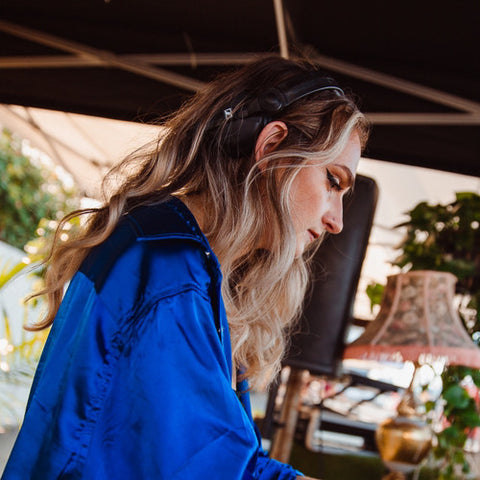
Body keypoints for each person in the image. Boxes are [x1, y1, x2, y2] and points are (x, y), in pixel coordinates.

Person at [2, 56, 368, 479]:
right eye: (333, 182)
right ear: (271, 147)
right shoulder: (168, 265)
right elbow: (209, 469)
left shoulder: (177, 254)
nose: (336, 221)